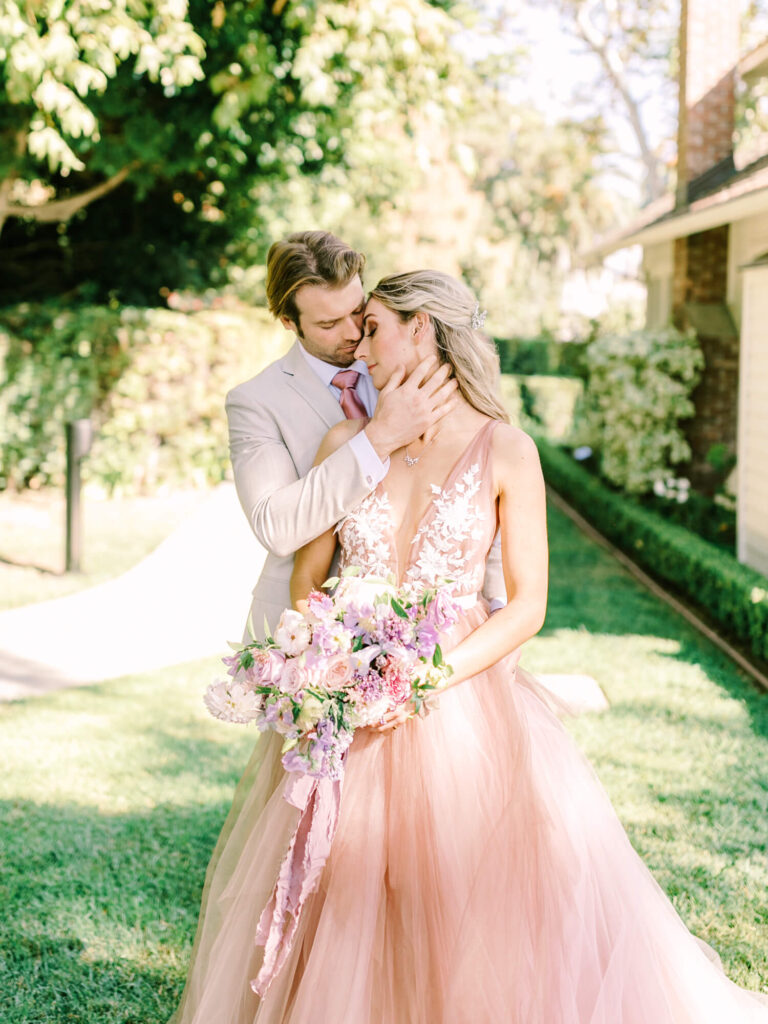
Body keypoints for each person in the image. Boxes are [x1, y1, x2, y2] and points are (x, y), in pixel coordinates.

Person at [171, 270, 768, 1023]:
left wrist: (425, 676)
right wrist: (326, 650)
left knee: (458, 893)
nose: (360, 346)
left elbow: (527, 606)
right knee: (341, 886)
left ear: (423, 330)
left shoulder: (509, 451)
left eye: (377, 328)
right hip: (346, 697)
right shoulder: (346, 439)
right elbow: (309, 577)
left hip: (456, 705)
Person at [224, 230, 505, 638]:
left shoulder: (407, 366)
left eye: (357, 311)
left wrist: (497, 605)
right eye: (328, 323)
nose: (354, 333)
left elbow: (479, 491)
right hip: (301, 635)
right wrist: (378, 439)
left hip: (427, 637)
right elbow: (276, 527)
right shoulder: (255, 401)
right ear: (289, 322)